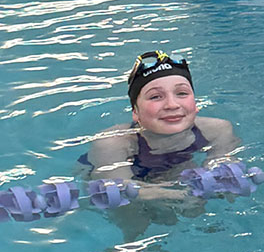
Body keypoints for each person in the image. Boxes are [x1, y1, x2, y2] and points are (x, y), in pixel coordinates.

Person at [84, 50, 239, 182]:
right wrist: (183, 191)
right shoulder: (112, 143)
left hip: (176, 166)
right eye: (156, 97)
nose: (172, 104)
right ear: (135, 112)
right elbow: (119, 191)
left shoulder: (217, 130)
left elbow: (223, 170)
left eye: (182, 93)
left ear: (195, 104)